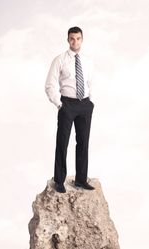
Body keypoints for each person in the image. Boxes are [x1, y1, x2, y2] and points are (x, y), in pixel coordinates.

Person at [45, 26, 95, 193]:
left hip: (85, 105)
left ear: (82, 39)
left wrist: (91, 102)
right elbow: (50, 85)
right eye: (72, 38)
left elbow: (91, 83)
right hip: (67, 104)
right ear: (68, 40)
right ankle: (59, 180)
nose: (75, 42)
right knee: (62, 142)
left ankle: (81, 179)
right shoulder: (59, 60)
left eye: (78, 38)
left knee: (83, 143)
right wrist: (60, 105)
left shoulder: (87, 61)